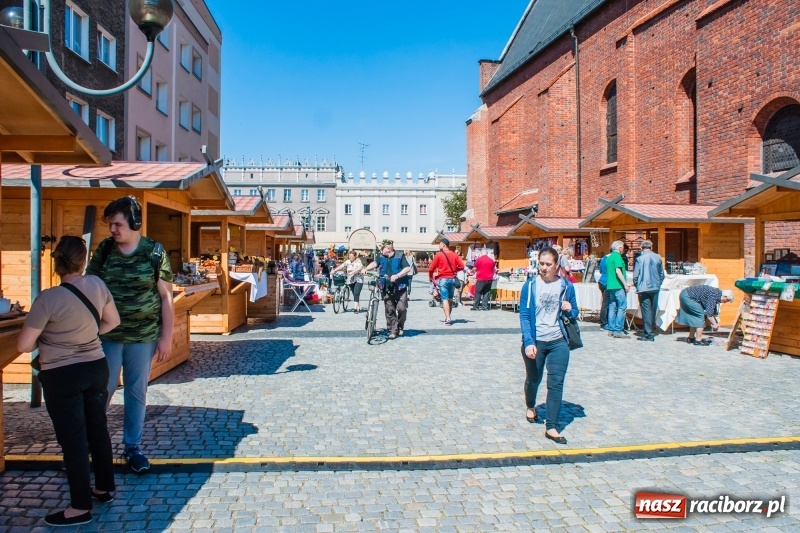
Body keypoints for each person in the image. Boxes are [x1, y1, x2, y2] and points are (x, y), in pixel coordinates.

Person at [17, 236, 120, 526]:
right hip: (96, 366)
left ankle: (79, 507)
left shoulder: (48, 298)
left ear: (57, 261)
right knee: (97, 428)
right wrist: (86, 335)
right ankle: (104, 487)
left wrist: (53, 337)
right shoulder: (98, 286)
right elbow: (113, 322)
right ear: (83, 259)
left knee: (73, 439)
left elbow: (24, 345)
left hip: (62, 374)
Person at [86, 196, 174, 474]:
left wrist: (166, 337)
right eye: (110, 224)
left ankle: (133, 447)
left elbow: (166, 298)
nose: (112, 229)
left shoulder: (154, 252)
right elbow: (90, 286)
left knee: (137, 392)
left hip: (144, 336)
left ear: (134, 223)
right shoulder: (105, 250)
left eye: (117, 224)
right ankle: (91, 447)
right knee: (103, 390)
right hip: (108, 337)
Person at [518, 246, 579, 445]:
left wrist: (570, 310)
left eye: (548, 264)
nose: (543, 268)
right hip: (536, 341)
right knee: (534, 379)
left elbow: (575, 312)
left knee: (556, 383)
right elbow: (525, 316)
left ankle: (551, 426)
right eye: (541, 264)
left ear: (556, 265)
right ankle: (530, 404)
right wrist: (528, 342)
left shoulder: (566, 286)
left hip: (558, 341)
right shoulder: (530, 286)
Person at [362, 240, 413, 339]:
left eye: (383, 248)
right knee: (390, 309)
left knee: (401, 308)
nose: (381, 250)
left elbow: (407, 268)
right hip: (386, 286)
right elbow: (375, 263)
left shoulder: (399, 256)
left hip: (400, 286)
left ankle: (400, 326)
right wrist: (366, 269)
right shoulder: (381, 256)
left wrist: (397, 275)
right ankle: (393, 330)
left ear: (389, 248)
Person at [428, 237, 465, 326]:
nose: (439, 245)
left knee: (444, 299)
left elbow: (431, 268)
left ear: (444, 245)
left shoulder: (439, 255)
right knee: (450, 299)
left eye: (440, 244)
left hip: (443, 279)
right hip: (452, 279)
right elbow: (462, 266)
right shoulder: (454, 255)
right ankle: (448, 316)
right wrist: (455, 270)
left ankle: (448, 318)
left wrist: (430, 277)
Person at [633, 240, 665, 341]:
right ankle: (651, 328)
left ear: (641, 248)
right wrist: (658, 283)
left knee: (646, 310)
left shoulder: (640, 259)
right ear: (651, 247)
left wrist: (637, 285)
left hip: (643, 287)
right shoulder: (658, 257)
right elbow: (662, 274)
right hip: (655, 287)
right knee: (653, 309)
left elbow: (635, 276)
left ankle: (649, 333)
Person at [605, 240, 631, 339]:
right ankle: (618, 329)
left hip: (610, 285)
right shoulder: (617, 256)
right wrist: (625, 284)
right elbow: (618, 271)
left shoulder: (609, 257)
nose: (623, 249)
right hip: (618, 285)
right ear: (620, 248)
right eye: (622, 247)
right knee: (622, 307)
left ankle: (611, 329)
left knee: (612, 307)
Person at [597, 250, 611, 329]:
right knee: (606, 303)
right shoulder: (612, 258)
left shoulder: (604, 258)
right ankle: (604, 322)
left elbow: (600, 270)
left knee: (605, 302)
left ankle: (604, 321)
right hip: (607, 282)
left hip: (602, 281)